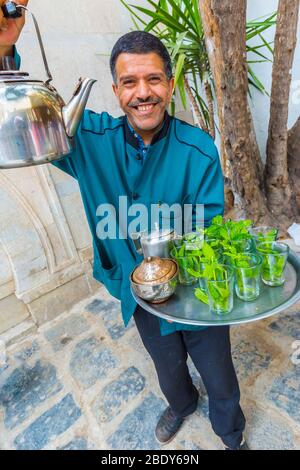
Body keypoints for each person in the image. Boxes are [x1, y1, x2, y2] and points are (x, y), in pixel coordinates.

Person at [0, 0, 248, 450]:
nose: (143, 92)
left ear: (170, 86)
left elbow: (209, 228)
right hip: (137, 295)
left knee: (219, 371)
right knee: (166, 366)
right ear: (116, 91)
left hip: (197, 293)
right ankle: (183, 404)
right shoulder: (87, 140)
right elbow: (23, 112)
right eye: (129, 82)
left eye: (153, 79)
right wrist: (5, 49)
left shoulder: (198, 149)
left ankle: (230, 434)